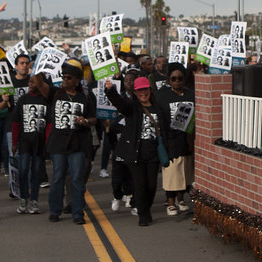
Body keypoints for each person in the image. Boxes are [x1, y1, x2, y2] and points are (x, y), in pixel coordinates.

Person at [104, 75, 171, 227]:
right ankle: (143, 214)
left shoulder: (159, 108)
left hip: (153, 153)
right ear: (135, 92)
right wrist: (110, 89)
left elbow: (166, 129)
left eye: (145, 89)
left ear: (150, 90)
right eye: (139, 90)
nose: (143, 93)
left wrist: (168, 149)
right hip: (135, 153)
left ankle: (145, 208)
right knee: (140, 185)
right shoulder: (132, 108)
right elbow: (119, 103)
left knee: (152, 186)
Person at [47, 63, 96, 225]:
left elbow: (94, 118)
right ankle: (55, 210)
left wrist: (85, 121)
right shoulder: (55, 94)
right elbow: (39, 83)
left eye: (69, 78)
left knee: (77, 178)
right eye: (63, 77)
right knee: (57, 177)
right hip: (58, 142)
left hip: (78, 143)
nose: (65, 80)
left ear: (77, 80)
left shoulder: (85, 98)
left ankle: (77, 212)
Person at [11, 72, 50, 215]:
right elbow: (16, 123)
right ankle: (23, 198)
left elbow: (50, 123)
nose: (30, 84)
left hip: (39, 143)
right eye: (29, 82)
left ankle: (34, 201)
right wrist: (14, 143)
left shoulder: (46, 100)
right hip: (24, 142)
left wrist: (47, 141)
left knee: (36, 173)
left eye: (34, 82)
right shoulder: (23, 99)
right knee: (23, 171)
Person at [157, 63, 194, 216]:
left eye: (180, 78)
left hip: (188, 139)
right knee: (172, 173)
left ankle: (181, 199)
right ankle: (170, 202)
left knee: (185, 172)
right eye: (174, 79)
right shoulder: (162, 96)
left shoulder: (191, 94)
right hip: (170, 139)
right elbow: (160, 119)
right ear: (168, 80)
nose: (177, 81)